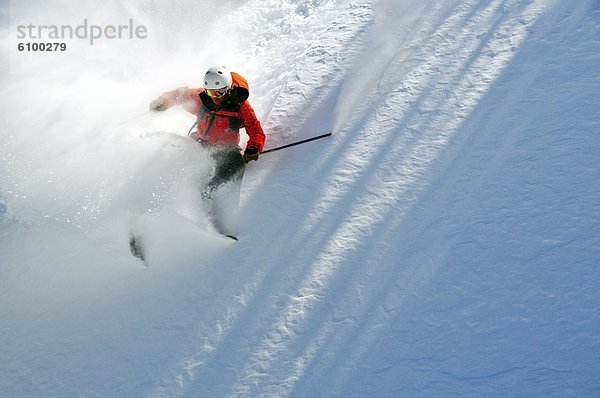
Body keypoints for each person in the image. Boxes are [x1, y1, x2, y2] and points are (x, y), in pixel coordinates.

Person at [149, 65, 266, 198]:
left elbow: (256, 131)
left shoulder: (241, 106)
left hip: (226, 149)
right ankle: (173, 190)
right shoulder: (202, 98)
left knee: (235, 162)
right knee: (180, 155)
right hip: (199, 142)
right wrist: (162, 103)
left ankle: (210, 194)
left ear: (228, 89)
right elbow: (180, 94)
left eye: (218, 93)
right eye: (210, 92)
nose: (214, 97)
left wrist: (253, 148)